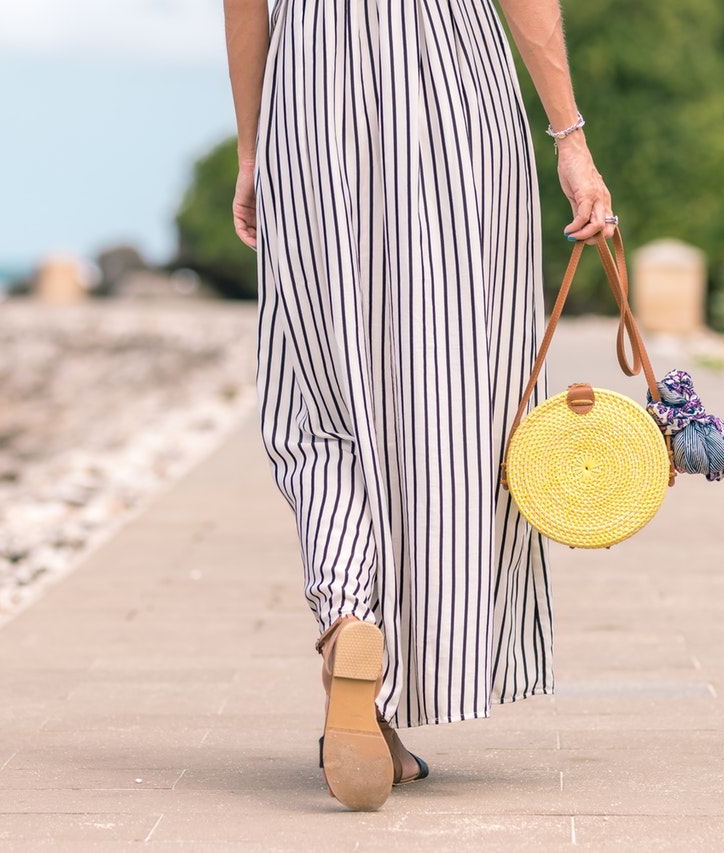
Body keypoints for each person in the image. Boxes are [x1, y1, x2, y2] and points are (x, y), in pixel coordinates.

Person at [223, 0, 617, 811]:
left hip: (313, 95)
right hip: (456, 92)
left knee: (323, 392)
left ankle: (348, 616)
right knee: (455, 394)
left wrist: (254, 145)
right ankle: (410, 669)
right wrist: (569, 140)